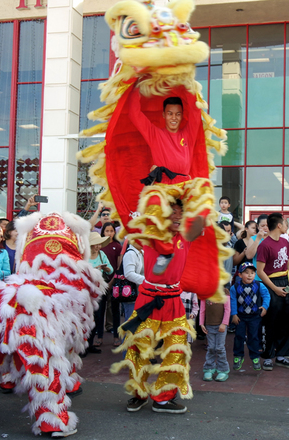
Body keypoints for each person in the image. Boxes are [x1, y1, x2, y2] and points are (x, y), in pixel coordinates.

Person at [0, 213, 104, 437]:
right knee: (46, 360)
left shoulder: (24, 265)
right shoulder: (77, 276)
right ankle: (51, 421)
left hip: (0, 301)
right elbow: (88, 302)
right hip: (41, 309)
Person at [112, 201, 199, 415]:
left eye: (182, 212)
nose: (178, 216)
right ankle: (139, 394)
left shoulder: (186, 235)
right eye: (173, 212)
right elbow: (130, 218)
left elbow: (202, 216)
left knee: (178, 349)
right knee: (139, 349)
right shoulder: (149, 234)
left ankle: (163, 397)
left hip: (174, 302)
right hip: (148, 299)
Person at [125, 90, 216, 277]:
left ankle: (193, 256)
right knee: (154, 214)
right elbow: (134, 114)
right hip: (163, 187)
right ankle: (165, 253)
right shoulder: (154, 133)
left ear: (182, 115)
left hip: (184, 187)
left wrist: (188, 85)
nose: (173, 117)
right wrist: (134, 84)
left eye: (177, 113)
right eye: (170, 113)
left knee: (203, 209)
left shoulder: (188, 134)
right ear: (163, 115)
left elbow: (197, 112)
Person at [256, 213, 289, 371]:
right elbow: (260, 271)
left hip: (285, 283)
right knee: (270, 321)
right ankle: (268, 356)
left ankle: (282, 355)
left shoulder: (285, 242)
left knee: (287, 320)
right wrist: (274, 288)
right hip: (270, 284)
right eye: (285, 223)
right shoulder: (265, 245)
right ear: (279, 225)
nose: (287, 226)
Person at [230, 262, 270, 371]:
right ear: (239, 275)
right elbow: (232, 301)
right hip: (240, 316)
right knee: (239, 336)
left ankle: (255, 356)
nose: (249, 275)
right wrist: (234, 314)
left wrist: (265, 307)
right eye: (246, 273)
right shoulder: (235, 287)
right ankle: (238, 356)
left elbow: (266, 295)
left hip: (254, 316)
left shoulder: (258, 285)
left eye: (252, 273)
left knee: (253, 336)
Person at [200, 291, 231, 382]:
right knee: (211, 347)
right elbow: (202, 309)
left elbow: (227, 309)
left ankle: (223, 369)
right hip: (209, 326)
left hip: (221, 326)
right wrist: (202, 324)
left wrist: (224, 323)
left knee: (220, 348)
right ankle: (209, 368)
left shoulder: (224, 293)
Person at [101, 222, 123, 346]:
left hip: (114, 280)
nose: (109, 233)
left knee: (114, 308)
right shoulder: (99, 246)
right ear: (103, 232)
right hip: (101, 280)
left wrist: (113, 280)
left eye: (111, 231)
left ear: (115, 232)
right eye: (107, 231)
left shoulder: (117, 246)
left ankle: (116, 336)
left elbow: (119, 265)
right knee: (100, 308)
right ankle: (99, 335)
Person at [89, 232, 113, 348]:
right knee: (87, 316)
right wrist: (94, 269)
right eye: (96, 244)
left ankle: (91, 341)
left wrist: (105, 268)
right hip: (87, 289)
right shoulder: (84, 255)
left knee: (98, 315)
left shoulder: (101, 254)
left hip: (99, 289)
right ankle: (85, 344)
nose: (98, 246)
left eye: (99, 244)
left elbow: (110, 270)